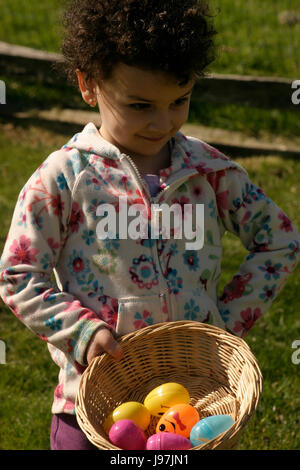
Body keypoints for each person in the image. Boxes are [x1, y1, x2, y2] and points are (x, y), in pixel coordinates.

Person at [0, 0, 299, 451]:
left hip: (197, 408)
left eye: (179, 101)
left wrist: (224, 326)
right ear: (88, 84)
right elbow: (18, 273)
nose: (163, 122)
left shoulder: (209, 170)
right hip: (93, 408)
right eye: (140, 106)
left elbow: (279, 241)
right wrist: (83, 331)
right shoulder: (62, 178)